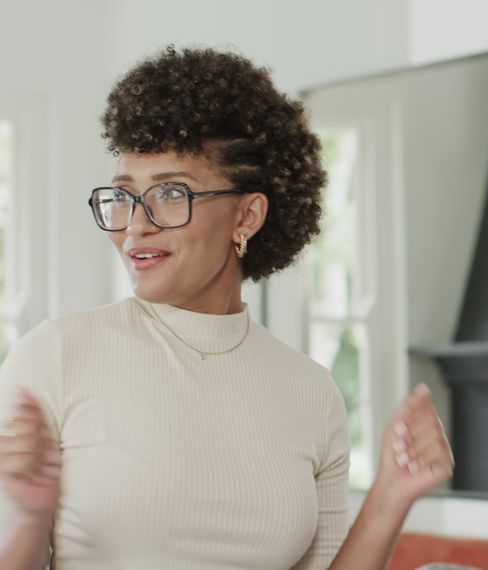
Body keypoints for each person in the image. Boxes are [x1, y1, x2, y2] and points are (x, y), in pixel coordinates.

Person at [0, 46, 453, 569]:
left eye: (171, 193)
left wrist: (390, 497)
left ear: (248, 215)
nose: (135, 225)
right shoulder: (57, 356)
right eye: (124, 195)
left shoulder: (309, 391)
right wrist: (29, 517)